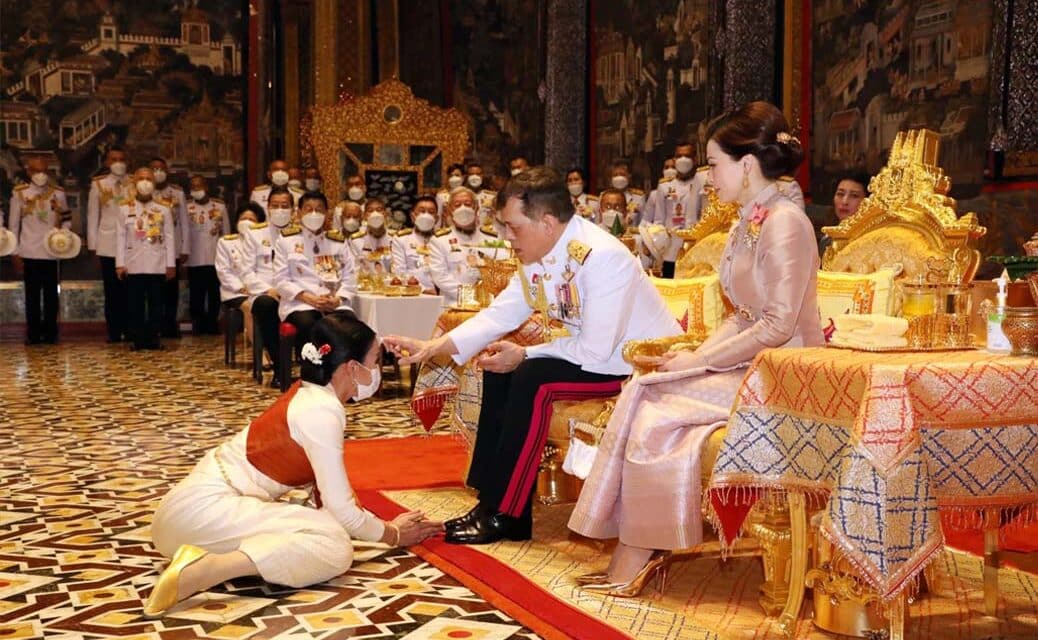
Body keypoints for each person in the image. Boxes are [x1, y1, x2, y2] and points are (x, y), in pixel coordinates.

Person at [568, 101, 823, 597]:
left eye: (714, 162)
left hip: (784, 374)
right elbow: (739, 314)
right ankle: (637, 548)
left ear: (746, 165)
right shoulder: (750, 218)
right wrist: (694, 354)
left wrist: (700, 361)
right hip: (750, 363)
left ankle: (638, 554)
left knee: (657, 410)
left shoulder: (785, 222)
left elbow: (778, 324)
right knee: (647, 384)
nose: (709, 176)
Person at [384, 167, 680, 545]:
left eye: (514, 227)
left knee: (530, 377)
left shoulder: (602, 256)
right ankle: (492, 503)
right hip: (593, 355)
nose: (507, 236)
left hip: (631, 363)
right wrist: (433, 347)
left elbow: (596, 349)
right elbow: (499, 315)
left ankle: (507, 513)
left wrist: (524, 353)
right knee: (498, 366)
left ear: (547, 222)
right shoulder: (540, 253)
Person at [144, 313, 442, 618]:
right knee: (335, 544)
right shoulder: (322, 412)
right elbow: (342, 512)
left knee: (323, 525)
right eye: (376, 359)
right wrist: (393, 534)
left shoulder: (310, 393)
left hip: (181, 517)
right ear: (352, 368)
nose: (378, 370)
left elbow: (335, 498)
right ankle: (204, 572)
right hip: (200, 515)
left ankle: (209, 559)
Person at [274, 191, 357, 358]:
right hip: (300, 304)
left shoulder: (338, 242)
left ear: (327, 213)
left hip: (333, 302)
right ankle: (313, 374)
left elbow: (350, 277)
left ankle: (341, 374)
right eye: (308, 209)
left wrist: (338, 298)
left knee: (348, 323)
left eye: (319, 209)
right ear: (299, 213)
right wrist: (308, 298)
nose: (314, 214)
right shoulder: (286, 241)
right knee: (310, 324)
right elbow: (281, 280)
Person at [8, 156, 70, 344]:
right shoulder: (20, 194)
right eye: (36, 171)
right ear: (29, 172)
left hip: (52, 252)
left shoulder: (57, 194)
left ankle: (51, 333)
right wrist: (15, 252)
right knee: (32, 295)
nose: (41, 175)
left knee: (52, 295)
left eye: (44, 170)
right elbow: (14, 225)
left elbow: (66, 219)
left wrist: (63, 238)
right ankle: (33, 334)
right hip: (29, 252)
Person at [116, 167, 177, 351]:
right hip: (133, 263)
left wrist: (170, 264)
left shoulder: (163, 209)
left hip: (156, 263)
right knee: (134, 304)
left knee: (156, 303)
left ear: (154, 183)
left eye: (148, 179)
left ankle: (154, 338)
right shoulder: (124, 208)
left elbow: (169, 237)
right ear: (134, 182)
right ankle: (138, 339)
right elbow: (120, 236)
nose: (145, 182)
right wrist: (120, 263)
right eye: (141, 178)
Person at [240, 188, 294, 387]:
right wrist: (268, 290)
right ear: (268, 208)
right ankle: (281, 369)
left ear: (293, 209)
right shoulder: (255, 235)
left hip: (296, 293)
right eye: (275, 206)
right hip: (265, 292)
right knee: (265, 306)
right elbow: (246, 272)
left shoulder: (300, 234)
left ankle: (311, 372)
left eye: (285, 206)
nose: (280, 210)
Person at [640, 143, 708, 278]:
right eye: (679, 156)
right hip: (670, 247)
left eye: (687, 156)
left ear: (695, 159)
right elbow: (659, 221)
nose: (683, 159)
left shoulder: (702, 182)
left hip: (693, 245)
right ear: (674, 159)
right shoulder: (665, 186)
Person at [87, 145, 132, 342]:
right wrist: (93, 247)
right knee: (112, 290)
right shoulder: (99, 184)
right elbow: (92, 216)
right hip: (108, 244)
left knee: (131, 290)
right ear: (107, 162)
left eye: (121, 159)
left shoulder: (135, 183)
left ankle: (131, 329)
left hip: (132, 245)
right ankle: (114, 331)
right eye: (114, 159)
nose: (118, 163)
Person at [428, 187, 498, 307]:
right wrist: (472, 296)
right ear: (449, 210)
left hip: (488, 306)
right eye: (457, 205)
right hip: (455, 306)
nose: (463, 208)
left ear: (476, 207)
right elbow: (440, 277)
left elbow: (498, 273)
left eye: (467, 204)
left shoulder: (492, 239)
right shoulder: (439, 240)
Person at [184, 175, 230, 335]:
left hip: (214, 257)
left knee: (214, 294)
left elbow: (226, 233)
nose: (196, 190)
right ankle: (198, 324)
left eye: (199, 186)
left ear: (206, 187)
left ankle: (212, 324)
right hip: (194, 258)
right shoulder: (186, 207)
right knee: (196, 294)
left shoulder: (219, 206)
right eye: (193, 187)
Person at [150, 157, 188, 338]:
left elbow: (184, 223)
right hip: (150, 248)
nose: (158, 172)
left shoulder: (177, 193)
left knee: (171, 290)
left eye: (161, 168)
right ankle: (153, 325)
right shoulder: (142, 192)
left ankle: (169, 325)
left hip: (172, 248)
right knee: (153, 288)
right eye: (154, 169)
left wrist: (184, 248)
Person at [215, 204, 263, 343]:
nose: (247, 222)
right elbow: (223, 271)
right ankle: (259, 352)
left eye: (251, 219)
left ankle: (274, 348)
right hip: (235, 292)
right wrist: (241, 287)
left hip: (259, 289)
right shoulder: (225, 242)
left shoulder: (264, 243)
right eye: (243, 218)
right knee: (249, 307)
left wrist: (257, 287)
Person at [390, 195, 438, 294]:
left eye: (431, 212)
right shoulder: (401, 239)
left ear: (436, 218)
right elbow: (399, 271)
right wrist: (423, 290)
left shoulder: (443, 240)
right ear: (413, 216)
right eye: (422, 211)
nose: (426, 215)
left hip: (442, 293)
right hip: (415, 294)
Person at [819, 170, 870, 256]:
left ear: (867, 201)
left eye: (854, 196)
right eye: (840, 194)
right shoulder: (827, 238)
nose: (844, 201)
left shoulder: (871, 240)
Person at [350, 198, 391, 274]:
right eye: (370, 210)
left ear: (385, 214)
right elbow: (355, 268)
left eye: (379, 210)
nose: (375, 214)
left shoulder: (395, 238)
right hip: (367, 282)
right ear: (365, 215)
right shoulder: (356, 240)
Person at [604, 162, 645, 226]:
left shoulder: (638, 197)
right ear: (611, 178)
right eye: (615, 175)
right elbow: (599, 221)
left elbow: (643, 222)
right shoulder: (604, 196)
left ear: (629, 176)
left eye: (622, 174)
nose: (619, 177)